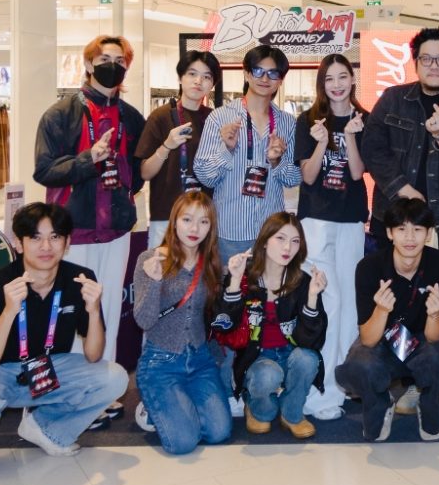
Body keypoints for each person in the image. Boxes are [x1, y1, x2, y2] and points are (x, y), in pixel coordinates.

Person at [361, 27, 439, 426]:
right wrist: (403, 190)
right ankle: (418, 380)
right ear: (415, 63)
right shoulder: (393, 99)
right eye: (427, 59)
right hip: (396, 223)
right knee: (400, 308)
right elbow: (373, 150)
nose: (435, 66)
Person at [0, 203, 128, 483]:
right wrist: (9, 310)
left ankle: (46, 429)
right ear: (19, 243)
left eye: (55, 237)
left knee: (114, 378)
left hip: (47, 370)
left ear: (67, 243)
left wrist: (93, 311)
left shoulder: (80, 279)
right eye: (35, 237)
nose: (46, 246)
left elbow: (93, 356)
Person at [33, 35, 143, 423]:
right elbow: (44, 170)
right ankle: (72, 392)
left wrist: (122, 194)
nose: (112, 65)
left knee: (108, 307)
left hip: (116, 231)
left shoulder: (132, 117)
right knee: (73, 311)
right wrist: (88, 159)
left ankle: (104, 390)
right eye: (104, 58)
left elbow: (137, 173)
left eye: (120, 60)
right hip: (74, 231)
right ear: (89, 64)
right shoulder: (60, 113)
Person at [335, 199, 439, 441]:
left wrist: (435, 314)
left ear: (429, 233)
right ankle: (380, 404)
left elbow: (434, 337)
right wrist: (381, 310)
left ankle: (429, 404)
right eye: (401, 229)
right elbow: (368, 339)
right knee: (359, 366)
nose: (409, 237)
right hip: (383, 341)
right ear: (389, 233)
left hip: (424, 341)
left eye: (417, 229)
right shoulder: (369, 267)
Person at [295, 54, 368, 422]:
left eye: (343, 77)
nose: (337, 85)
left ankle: (344, 382)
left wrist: (351, 136)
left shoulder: (364, 118)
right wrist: (321, 143)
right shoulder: (308, 120)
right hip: (316, 222)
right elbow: (308, 177)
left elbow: (357, 173)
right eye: (329, 79)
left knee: (350, 304)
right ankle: (318, 392)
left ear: (352, 79)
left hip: (351, 221)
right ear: (321, 83)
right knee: (328, 301)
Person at [211, 213, 328, 439]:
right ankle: (258, 408)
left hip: (290, 352)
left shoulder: (302, 281)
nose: (288, 247)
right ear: (265, 241)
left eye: (295, 241)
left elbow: (312, 342)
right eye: (280, 238)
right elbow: (223, 326)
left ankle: (292, 413)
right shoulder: (245, 276)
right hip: (257, 358)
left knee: (308, 359)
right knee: (267, 375)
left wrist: (313, 297)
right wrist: (234, 283)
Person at [132, 191, 231, 454]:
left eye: (203, 222)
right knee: (183, 442)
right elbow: (144, 321)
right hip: (161, 362)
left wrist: (234, 282)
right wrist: (154, 281)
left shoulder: (211, 263)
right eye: (187, 220)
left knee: (219, 432)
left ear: (211, 227)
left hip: (200, 361)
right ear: (174, 221)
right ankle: (154, 406)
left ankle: (178, 404)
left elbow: (216, 317)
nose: (194, 229)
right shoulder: (151, 259)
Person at [193, 45, 300, 264]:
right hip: (229, 232)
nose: (265, 78)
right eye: (258, 71)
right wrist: (227, 149)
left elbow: (294, 178)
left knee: (271, 286)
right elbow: (204, 176)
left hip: (272, 233)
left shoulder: (288, 123)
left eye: (273, 73)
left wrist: (277, 161)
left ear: (280, 80)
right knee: (229, 286)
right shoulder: (220, 118)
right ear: (247, 73)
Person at [137, 51, 221, 248]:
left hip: (203, 219)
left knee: (200, 268)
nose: (198, 81)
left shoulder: (215, 119)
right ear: (181, 77)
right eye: (192, 74)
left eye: (206, 77)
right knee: (161, 266)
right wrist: (167, 145)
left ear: (212, 84)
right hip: (167, 215)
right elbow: (145, 172)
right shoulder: (161, 117)